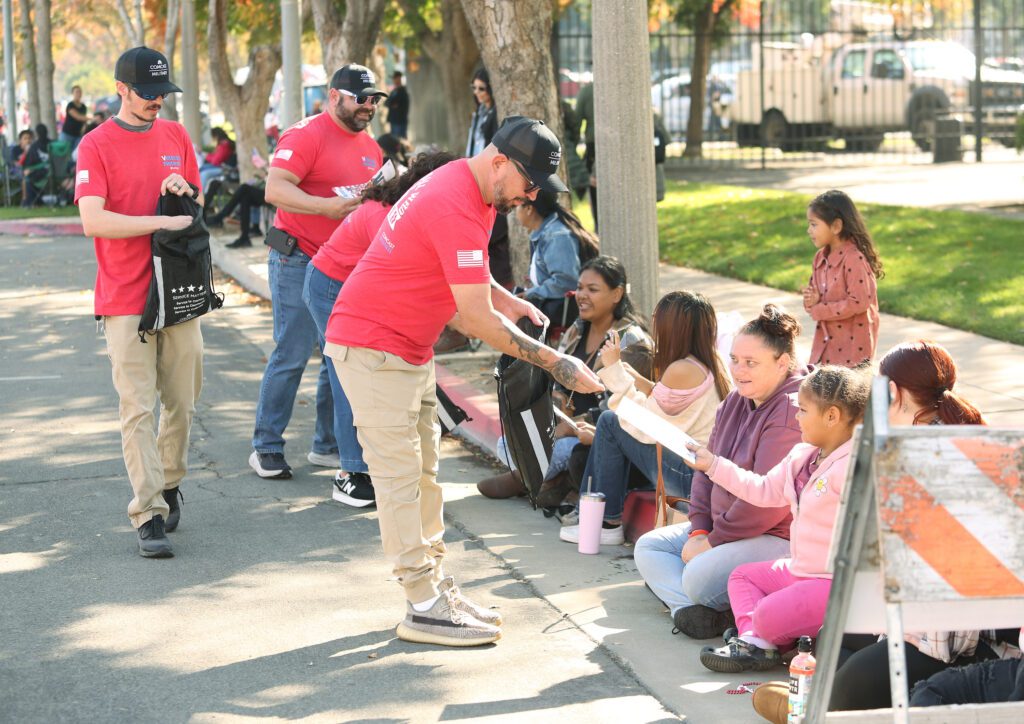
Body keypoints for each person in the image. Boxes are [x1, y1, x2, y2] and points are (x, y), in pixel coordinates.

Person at [325, 116, 603, 646]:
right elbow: (471, 318)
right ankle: (422, 605)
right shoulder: (456, 199)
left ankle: (432, 589)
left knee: (426, 474)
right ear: (500, 162)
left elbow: (466, 274)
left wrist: (510, 299)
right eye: (529, 184)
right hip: (372, 348)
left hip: (406, 349)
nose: (531, 197)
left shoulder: (469, 187)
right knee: (401, 481)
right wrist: (558, 363)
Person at [74, 46, 202, 558]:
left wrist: (183, 191)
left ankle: (169, 479)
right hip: (125, 296)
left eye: (162, 94)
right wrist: (160, 220)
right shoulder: (95, 144)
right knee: (137, 408)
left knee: (184, 402)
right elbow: (93, 221)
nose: (156, 103)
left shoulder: (175, 135)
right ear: (121, 89)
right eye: (147, 94)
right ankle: (147, 511)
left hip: (179, 292)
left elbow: (197, 199)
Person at [632, 304, 804, 640]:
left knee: (697, 577)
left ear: (782, 363)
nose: (739, 370)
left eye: (751, 362)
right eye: (735, 360)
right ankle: (696, 614)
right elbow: (704, 468)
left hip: (775, 537)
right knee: (649, 548)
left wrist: (713, 540)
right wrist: (698, 531)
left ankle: (707, 603)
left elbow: (767, 504)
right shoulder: (735, 402)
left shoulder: (790, 411)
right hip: (721, 532)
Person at [247, 63, 386, 480]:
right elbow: (275, 189)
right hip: (298, 258)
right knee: (292, 354)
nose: (368, 106)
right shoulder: (305, 134)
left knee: (337, 357)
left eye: (373, 99)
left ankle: (327, 445)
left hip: (346, 265)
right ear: (334, 96)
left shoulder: (370, 145)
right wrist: (326, 207)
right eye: (360, 98)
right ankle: (266, 446)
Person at [304, 150, 457, 507]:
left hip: (344, 284)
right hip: (329, 284)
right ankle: (353, 472)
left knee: (336, 368)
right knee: (348, 372)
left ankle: (324, 444)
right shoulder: (390, 215)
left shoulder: (407, 208)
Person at [694, 365, 870, 673]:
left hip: (833, 582)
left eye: (803, 410)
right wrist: (714, 465)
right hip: (801, 571)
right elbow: (762, 490)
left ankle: (759, 637)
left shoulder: (855, 465)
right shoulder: (802, 455)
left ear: (832, 416)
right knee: (742, 577)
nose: (797, 417)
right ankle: (756, 642)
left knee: (764, 614)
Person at [557, 291, 732, 545]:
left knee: (608, 421)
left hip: (688, 477)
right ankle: (601, 517)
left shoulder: (680, 368)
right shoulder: (709, 360)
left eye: (657, 320)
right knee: (610, 423)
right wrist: (637, 380)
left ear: (674, 327)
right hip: (700, 472)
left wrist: (614, 369)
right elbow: (667, 402)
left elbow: (646, 425)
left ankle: (605, 522)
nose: (654, 326)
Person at [477, 256, 653, 502]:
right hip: (563, 426)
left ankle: (529, 481)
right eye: (580, 287)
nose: (581, 295)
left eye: (592, 289)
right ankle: (549, 482)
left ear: (617, 294)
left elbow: (625, 403)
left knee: (558, 451)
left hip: (593, 433)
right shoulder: (577, 329)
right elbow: (556, 381)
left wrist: (570, 428)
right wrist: (551, 418)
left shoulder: (631, 338)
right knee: (506, 443)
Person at [801, 190, 883, 367]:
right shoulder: (820, 258)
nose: (809, 230)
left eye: (814, 224)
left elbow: (859, 302)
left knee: (846, 393)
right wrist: (811, 301)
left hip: (852, 352)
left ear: (836, 226)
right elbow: (813, 301)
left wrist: (820, 309)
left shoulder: (854, 259)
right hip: (825, 346)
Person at [515, 188, 599, 324]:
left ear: (529, 209)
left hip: (564, 310)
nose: (515, 213)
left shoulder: (557, 236)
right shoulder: (545, 232)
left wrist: (531, 294)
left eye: (516, 207)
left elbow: (565, 282)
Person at [20, 124, 51, 208]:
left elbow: (29, 164)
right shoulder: (53, 143)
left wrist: (30, 170)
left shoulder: (34, 146)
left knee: (27, 178)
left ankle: (28, 202)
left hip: (42, 174)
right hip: (55, 174)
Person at [199, 127, 235, 193]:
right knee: (200, 169)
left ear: (217, 135)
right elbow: (215, 157)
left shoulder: (225, 145)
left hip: (225, 169)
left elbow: (216, 161)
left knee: (204, 173)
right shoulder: (223, 144)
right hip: (221, 166)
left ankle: (199, 195)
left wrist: (207, 156)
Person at [61, 85, 89, 151]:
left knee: (76, 156)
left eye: (80, 92)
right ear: (73, 93)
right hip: (67, 134)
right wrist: (92, 118)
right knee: (65, 154)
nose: (78, 94)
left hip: (78, 135)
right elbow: (78, 117)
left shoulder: (83, 107)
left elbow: (84, 121)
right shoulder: (70, 105)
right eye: (76, 92)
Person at [385, 70, 409, 139]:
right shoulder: (394, 91)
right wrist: (392, 104)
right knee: (395, 141)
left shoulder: (403, 91)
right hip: (394, 120)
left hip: (400, 121)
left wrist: (393, 104)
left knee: (400, 141)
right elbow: (387, 103)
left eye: (395, 78)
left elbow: (399, 104)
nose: (394, 80)